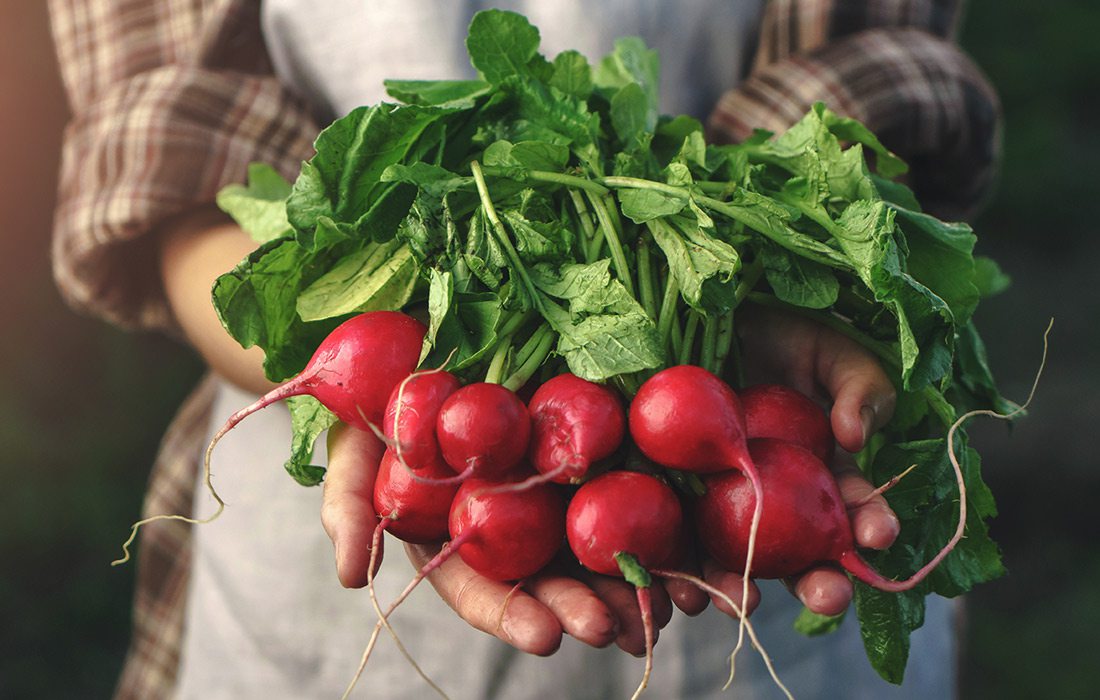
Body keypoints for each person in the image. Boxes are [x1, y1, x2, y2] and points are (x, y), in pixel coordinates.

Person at [48, 1, 999, 698]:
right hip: (306, 609)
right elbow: (170, 154)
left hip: (748, 595)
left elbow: (884, 65)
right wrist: (352, 387)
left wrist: (757, 252)